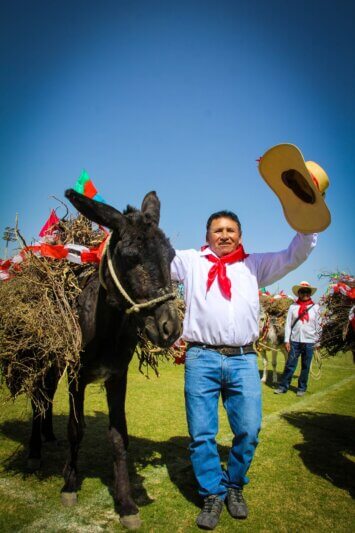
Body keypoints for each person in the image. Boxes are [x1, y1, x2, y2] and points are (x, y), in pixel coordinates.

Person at [171, 214, 317, 530]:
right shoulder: (190, 261)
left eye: (230, 230)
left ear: (240, 235)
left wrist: (308, 215)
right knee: (201, 435)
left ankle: (234, 485)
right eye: (217, 230)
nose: (224, 235)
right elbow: (153, 259)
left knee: (249, 429)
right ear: (207, 234)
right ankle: (212, 493)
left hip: (243, 360)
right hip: (201, 358)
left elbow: (295, 254)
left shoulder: (255, 265)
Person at [274, 281, 321, 397]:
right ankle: (283, 386)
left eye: (307, 291)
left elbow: (319, 325)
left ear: (310, 293)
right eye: (302, 291)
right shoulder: (293, 307)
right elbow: (288, 325)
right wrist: (286, 340)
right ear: (298, 293)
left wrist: (318, 341)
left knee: (305, 366)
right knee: (290, 365)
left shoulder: (316, 308)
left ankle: (301, 388)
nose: (305, 293)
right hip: (295, 341)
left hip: (310, 342)